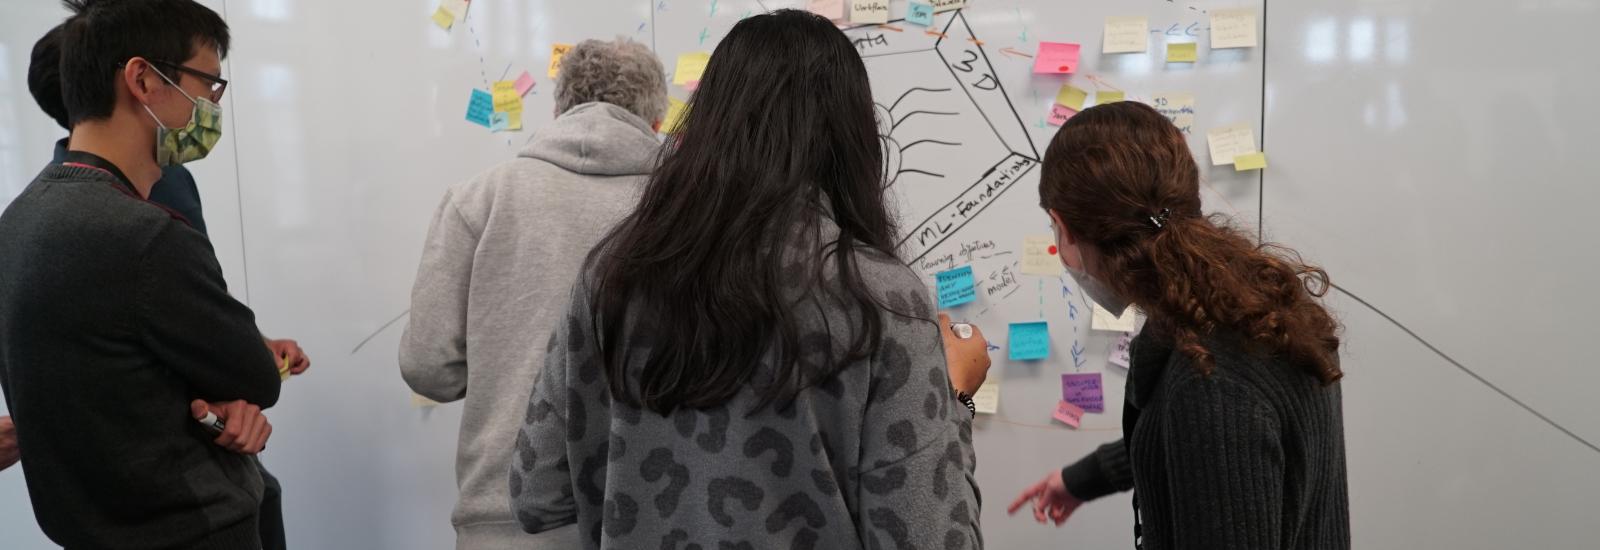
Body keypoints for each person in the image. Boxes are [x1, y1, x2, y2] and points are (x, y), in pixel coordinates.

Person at [508, 10, 991, 549]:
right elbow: (930, 537)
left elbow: (537, 494)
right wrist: (955, 398)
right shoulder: (880, 299)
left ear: (707, 123)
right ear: (853, 138)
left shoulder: (612, 275)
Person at [1006, 101, 1350, 549]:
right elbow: (1209, 453)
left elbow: (1213, 431)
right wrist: (1082, 479)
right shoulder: (1254, 305)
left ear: (1062, 228)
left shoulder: (1208, 380)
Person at [0, 0, 281, 548]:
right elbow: (255, 375)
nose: (211, 106)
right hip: (192, 528)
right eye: (208, 84)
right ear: (143, 80)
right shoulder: (146, 235)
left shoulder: (16, 223)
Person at [399, 37, 669, 548]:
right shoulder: (692, 211)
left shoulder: (478, 198)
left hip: (505, 519)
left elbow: (428, 367)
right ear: (655, 121)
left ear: (558, 107)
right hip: (653, 510)